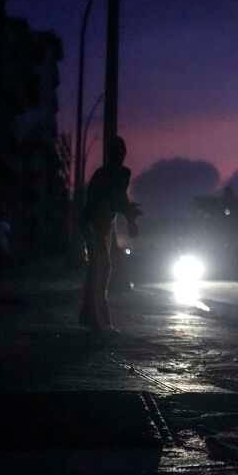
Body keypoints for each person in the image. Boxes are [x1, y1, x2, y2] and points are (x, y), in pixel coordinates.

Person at [79, 136, 141, 332]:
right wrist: (130, 217)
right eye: (116, 152)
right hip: (93, 223)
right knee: (99, 268)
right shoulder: (104, 175)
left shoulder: (121, 173)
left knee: (102, 269)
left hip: (106, 223)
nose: (120, 156)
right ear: (110, 154)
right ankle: (97, 320)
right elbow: (114, 201)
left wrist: (130, 218)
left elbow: (119, 200)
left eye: (121, 152)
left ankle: (95, 318)